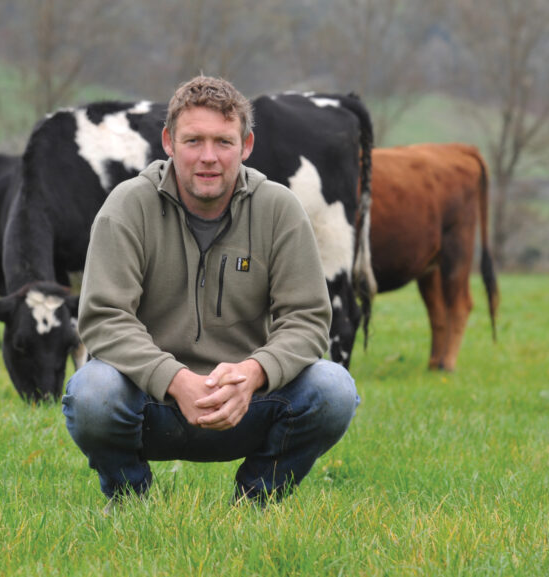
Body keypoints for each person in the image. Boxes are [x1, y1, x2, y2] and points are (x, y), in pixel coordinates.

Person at [62, 76, 359, 508]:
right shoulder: (127, 206)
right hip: (150, 402)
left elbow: (308, 319)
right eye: (193, 140)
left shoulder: (279, 209)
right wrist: (174, 379)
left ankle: (256, 501)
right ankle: (129, 497)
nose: (208, 157)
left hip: (246, 400)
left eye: (223, 142)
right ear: (168, 141)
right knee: (91, 393)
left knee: (334, 389)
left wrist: (255, 373)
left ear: (247, 145)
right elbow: (105, 317)